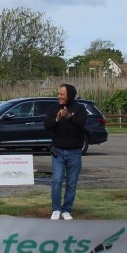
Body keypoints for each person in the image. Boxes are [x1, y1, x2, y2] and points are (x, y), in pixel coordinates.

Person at [44, 83, 87, 220]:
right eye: (58, 94)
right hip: (58, 152)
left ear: (70, 95)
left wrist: (69, 117)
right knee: (56, 180)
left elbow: (81, 124)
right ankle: (56, 209)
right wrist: (57, 119)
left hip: (75, 152)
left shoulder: (80, 109)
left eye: (62, 94)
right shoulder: (53, 108)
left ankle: (66, 210)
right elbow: (46, 126)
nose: (59, 96)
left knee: (71, 183)